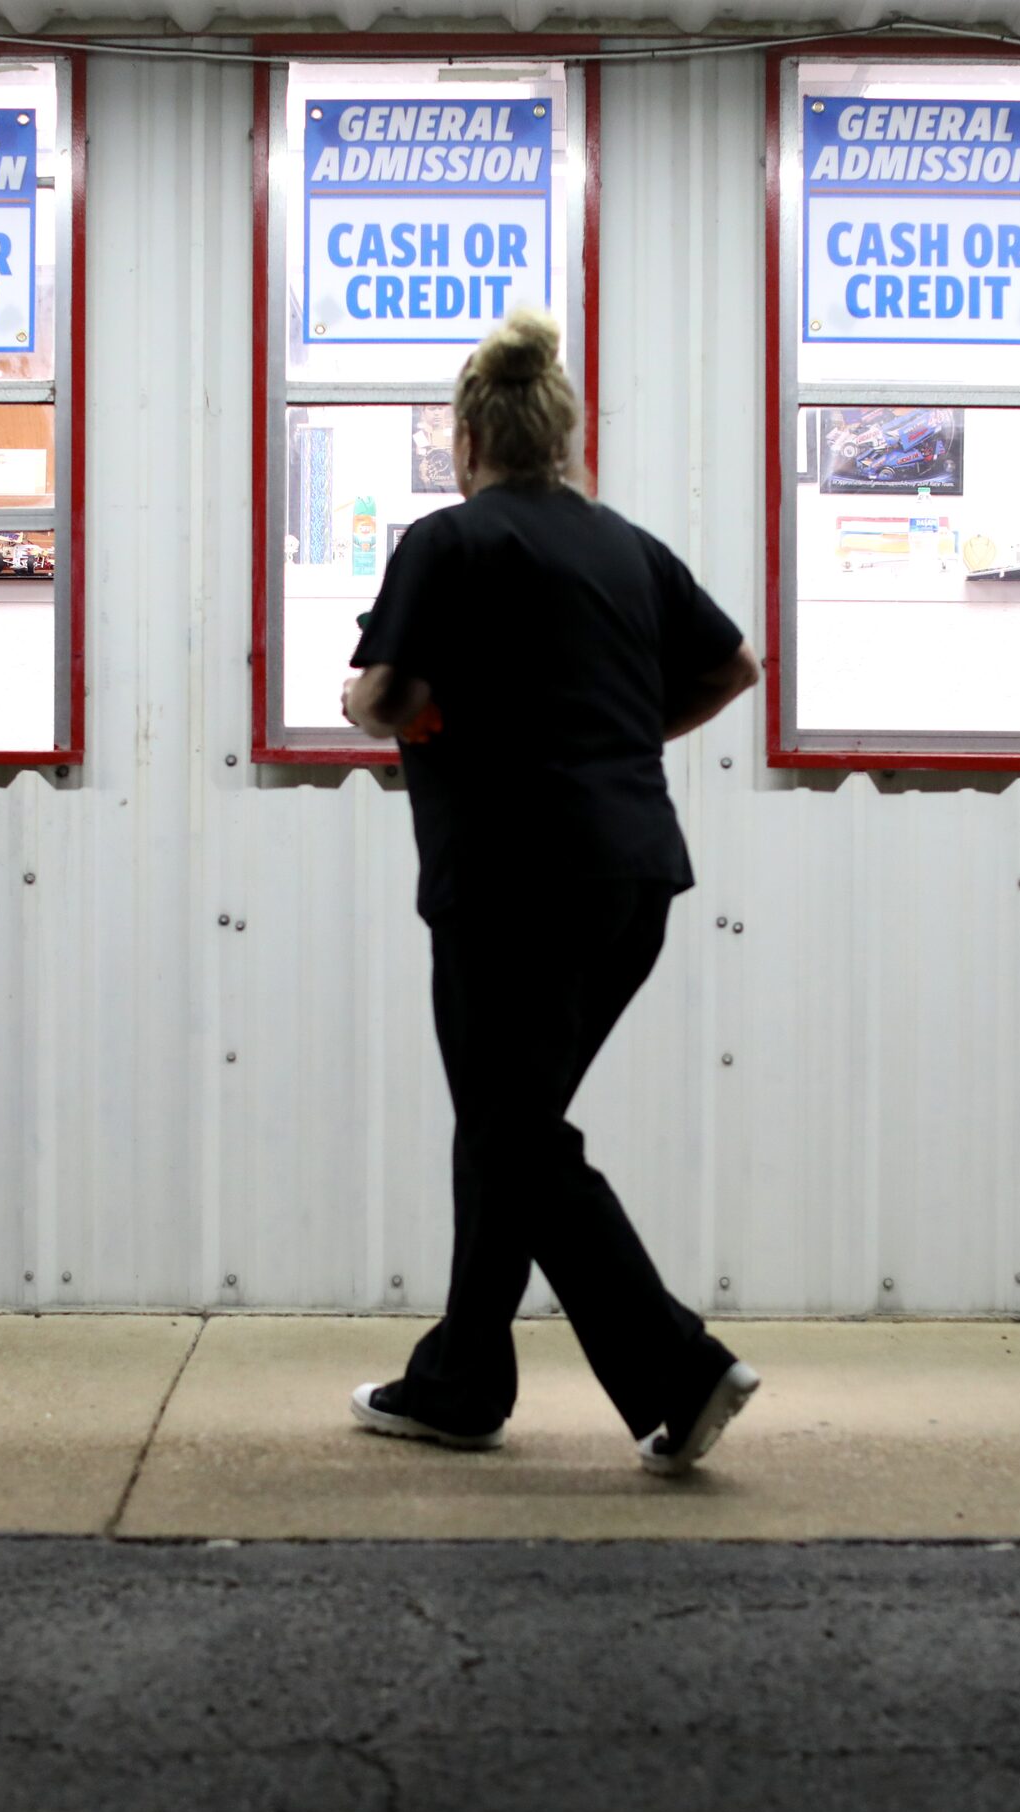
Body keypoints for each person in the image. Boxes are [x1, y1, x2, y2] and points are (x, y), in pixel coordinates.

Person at [338, 307, 767, 1478]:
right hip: (633, 879)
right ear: (567, 436)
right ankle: (463, 1379)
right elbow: (733, 665)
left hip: (510, 878)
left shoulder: (452, 540)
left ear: (469, 436)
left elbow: (383, 696)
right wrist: (633, 736)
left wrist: (370, 705)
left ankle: (679, 1369)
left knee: (514, 1135)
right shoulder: (626, 546)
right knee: (511, 1128)